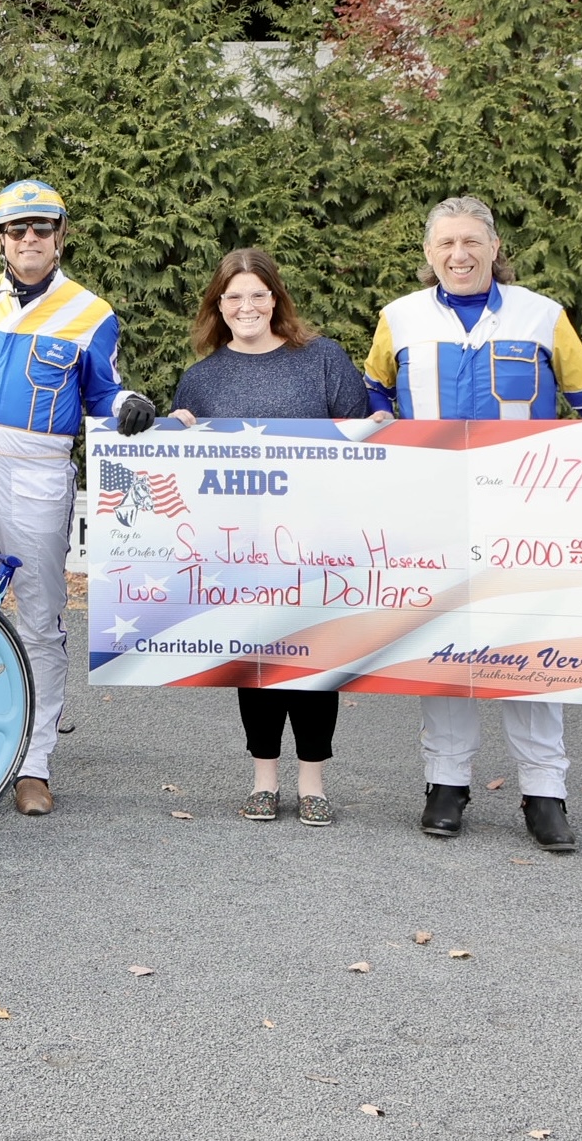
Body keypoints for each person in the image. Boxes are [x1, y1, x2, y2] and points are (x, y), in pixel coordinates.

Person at [362, 196, 582, 853]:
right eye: (445, 242)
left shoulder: (542, 315)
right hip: (434, 508)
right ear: (428, 252)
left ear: (494, 244)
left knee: (531, 647)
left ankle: (545, 792)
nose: (459, 253)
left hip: (526, 513)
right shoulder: (399, 319)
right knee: (443, 647)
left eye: (472, 240)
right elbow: (373, 396)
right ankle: (445, 782)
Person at [0, 179, 157, 817]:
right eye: (16, 229)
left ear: (60, 236)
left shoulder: (92, 312)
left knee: (39, 616)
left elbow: (103, 393)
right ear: (0, 238)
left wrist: (128, 404)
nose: (29, 239)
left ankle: (33, 763)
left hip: (39, 473)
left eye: (41, 228)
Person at [167, 247, 370, 827]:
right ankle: (263, 779)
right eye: (234, 296)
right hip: (239, 549)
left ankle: (313, 781)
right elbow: (185, 472)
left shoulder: (324, 360)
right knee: (254, 664)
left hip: (316, 544)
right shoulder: (201, 380)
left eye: (259, 294)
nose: (247, 305)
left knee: (313, 661)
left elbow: (361, 445)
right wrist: (172, 427)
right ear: (219, 306)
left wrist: (375, 430)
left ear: (276, 299)